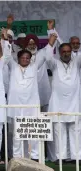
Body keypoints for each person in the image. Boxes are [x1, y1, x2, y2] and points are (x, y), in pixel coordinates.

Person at [1, 28, 46, 161]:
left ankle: (34, 157)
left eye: (28, 58)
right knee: (16, 134)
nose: (25, 59)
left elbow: (45, 54)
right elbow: (7, 56)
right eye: (23, 57)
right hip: (16, 107)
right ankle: (17, 157)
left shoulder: (34, 67)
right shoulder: (13, 66)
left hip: (31, 107)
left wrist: (51, 35)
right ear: (18, 58)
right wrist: (6, 40)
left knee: (32, 133)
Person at [45, 23, 81, 164]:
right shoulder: (54, 64)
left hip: (74, 103)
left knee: (75, 131)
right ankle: (60, 157)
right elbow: (48, 57)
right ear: (60, 53)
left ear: (71, 52)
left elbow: (77, 50)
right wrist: (51, 42)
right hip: (58, 104)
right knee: (59, 131)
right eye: (63, 51)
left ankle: (76, 157)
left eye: (68, 51)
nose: (66, 53)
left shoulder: (77, 63)